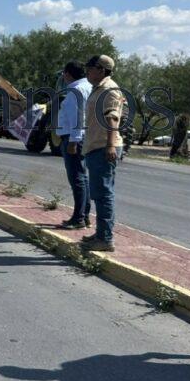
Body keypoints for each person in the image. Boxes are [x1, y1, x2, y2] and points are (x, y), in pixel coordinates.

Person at [80, 55, 127, 252]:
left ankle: (105, 238)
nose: (87, 71)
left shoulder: (109, 90)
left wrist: (110, 145)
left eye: (90, 68)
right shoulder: (98, 88)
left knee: (103, 194)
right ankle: (101, 233)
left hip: (103, 147)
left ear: (101, 69)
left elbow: (113, 119)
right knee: (100, 194)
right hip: (95, 146)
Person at [56, 61, 93, 229]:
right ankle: (84, 215)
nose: (63, 76)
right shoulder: (89, 87)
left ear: (68, 74)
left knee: (76, 177)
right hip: (85, 136)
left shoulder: (75, 91)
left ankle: (78, 218)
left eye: (64, 73)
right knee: (83, 177)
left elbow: (77, 118)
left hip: (74, 138)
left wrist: (73, 141)